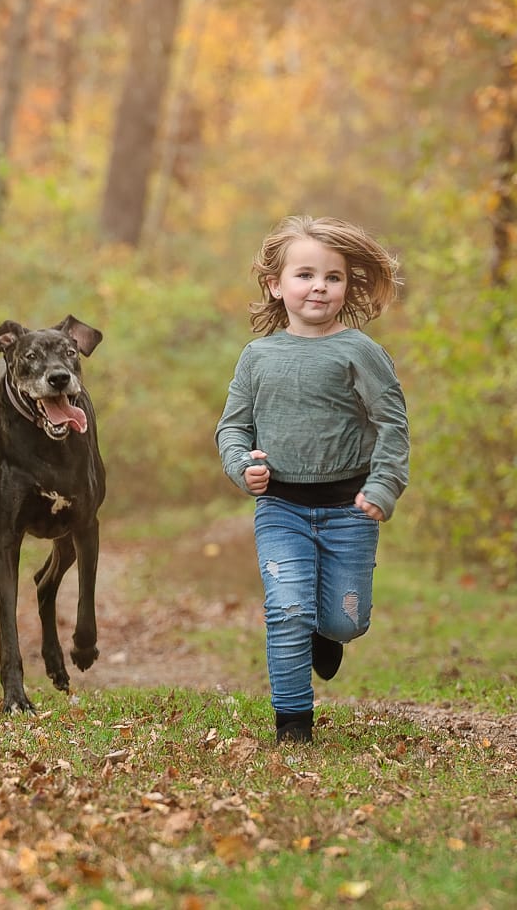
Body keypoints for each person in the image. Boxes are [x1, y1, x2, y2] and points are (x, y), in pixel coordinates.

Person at [215, 214, 409, 744]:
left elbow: (392, 423)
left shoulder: (360, 352)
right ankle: (294, 724)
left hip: (351, 508)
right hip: (280, 507)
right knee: (286, 609)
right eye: (305, 275)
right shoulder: (257, 357)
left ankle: (329, 634)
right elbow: (233, 426)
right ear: (275, 286)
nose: (319, 286)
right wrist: (242, 466)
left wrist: (384, 485)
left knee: (346, 621)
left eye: (333, 277)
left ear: (347, 287)